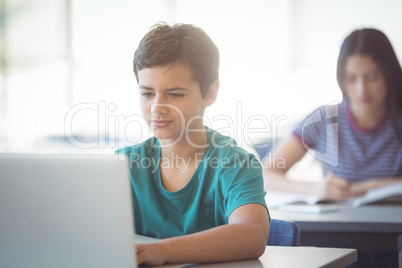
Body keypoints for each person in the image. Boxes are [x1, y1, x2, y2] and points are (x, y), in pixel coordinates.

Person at [116, 22, 270, 266]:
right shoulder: (121, 165)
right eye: (147, 94)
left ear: (209, 93)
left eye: (175, 94)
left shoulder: (235, 164)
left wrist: (161, 251)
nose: (157, 108)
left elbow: (253, 234)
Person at [263, 28, 402, 268]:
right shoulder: (324, 120)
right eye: (351, 79)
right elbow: (265, 174)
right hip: (345, 243)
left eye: (372, 77)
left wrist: (366, 187)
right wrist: (316, 188)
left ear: (389, 74)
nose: (361, 90)